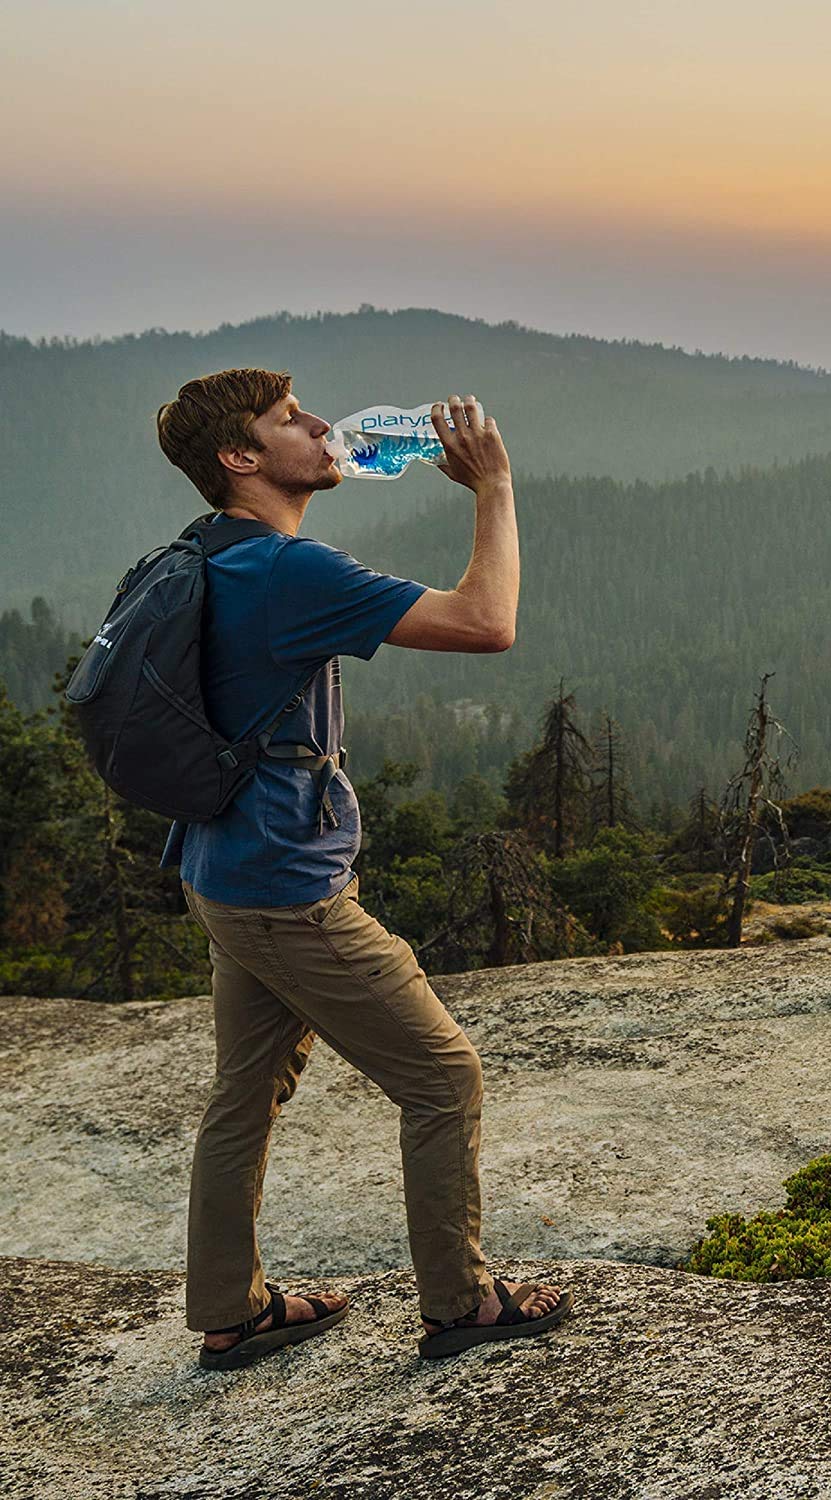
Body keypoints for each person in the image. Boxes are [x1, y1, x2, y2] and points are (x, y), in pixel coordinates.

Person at [154, 367, 571, 1369]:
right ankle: (462, 1303)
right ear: (239, 459)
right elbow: (487, 623)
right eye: (289, 419)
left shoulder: (212, 553)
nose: (320, 426)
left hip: (219, 869)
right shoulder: (288, 573)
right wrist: (495, 488)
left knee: (244, 1093)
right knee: (442, 1074)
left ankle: (231, 1311)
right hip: (289, 892)